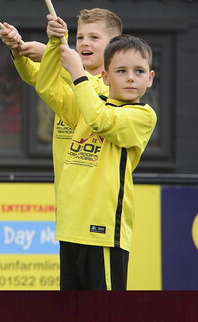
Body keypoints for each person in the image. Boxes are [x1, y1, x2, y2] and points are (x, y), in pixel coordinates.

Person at [51, 22, 157, 290]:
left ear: (150, 78)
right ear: (106, 78)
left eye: (139, 71)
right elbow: (46, 88)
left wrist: (76, 71)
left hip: (104, 232)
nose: (131, 77)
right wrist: (54, 44)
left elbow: (101, 119)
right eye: (121, 71)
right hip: (71, 227)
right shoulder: (90, 105)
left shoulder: (142, 114)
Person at [0, 8, 122, 203]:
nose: (85, 43)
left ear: (114, 45)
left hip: (98, 194)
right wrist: (17, 49)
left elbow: (93, 88)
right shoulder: (70, 73)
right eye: (80, 37)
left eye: (94, 37)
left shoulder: (115, 84)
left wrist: (53, 55)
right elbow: (37, 77)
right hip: (65, 188)